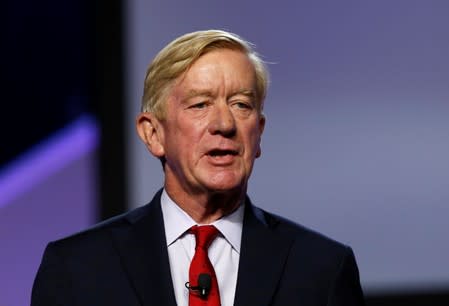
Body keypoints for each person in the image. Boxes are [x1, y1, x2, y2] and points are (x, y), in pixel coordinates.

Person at [31, 29, 365, 306]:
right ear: (153, 133)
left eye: (241, 104)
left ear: (258, 134)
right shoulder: (76, 268)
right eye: (200, 104)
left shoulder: (322, 269)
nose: (224, 123)